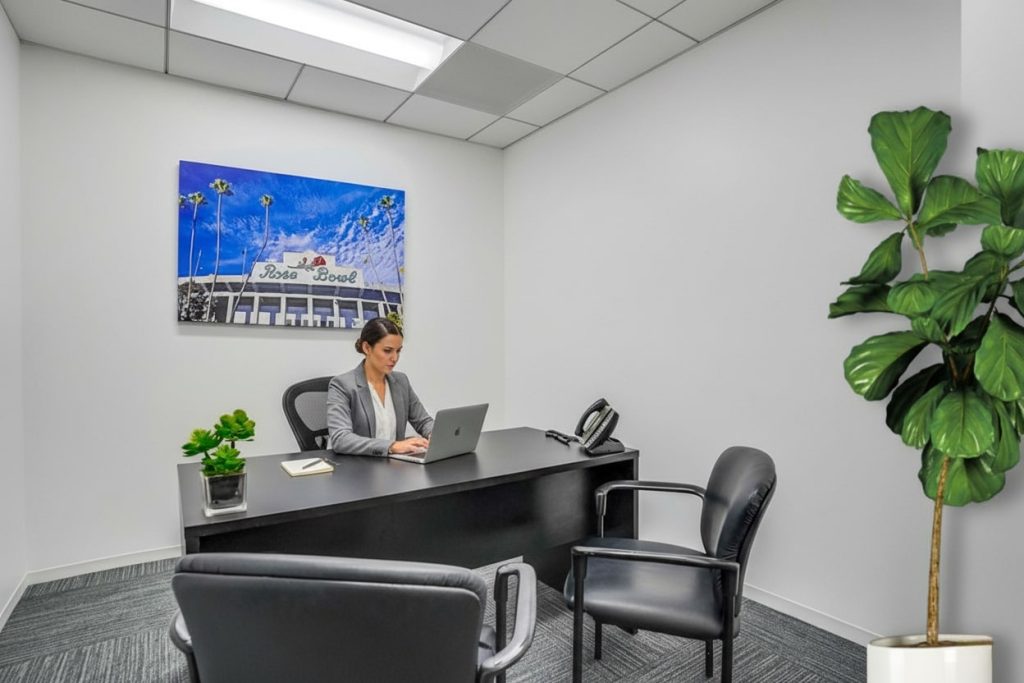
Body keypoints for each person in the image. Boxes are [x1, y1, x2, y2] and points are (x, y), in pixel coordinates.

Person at [326, 317, 433, 456]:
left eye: (398, 351)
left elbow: (423, 421)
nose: (394, 358)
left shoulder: (401, 382)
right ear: (367, 348)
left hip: (394, 467)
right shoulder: (342, 385)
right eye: (387, 350)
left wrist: (434, 434)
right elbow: (341, 439)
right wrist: (392, 446)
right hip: (356, 468)